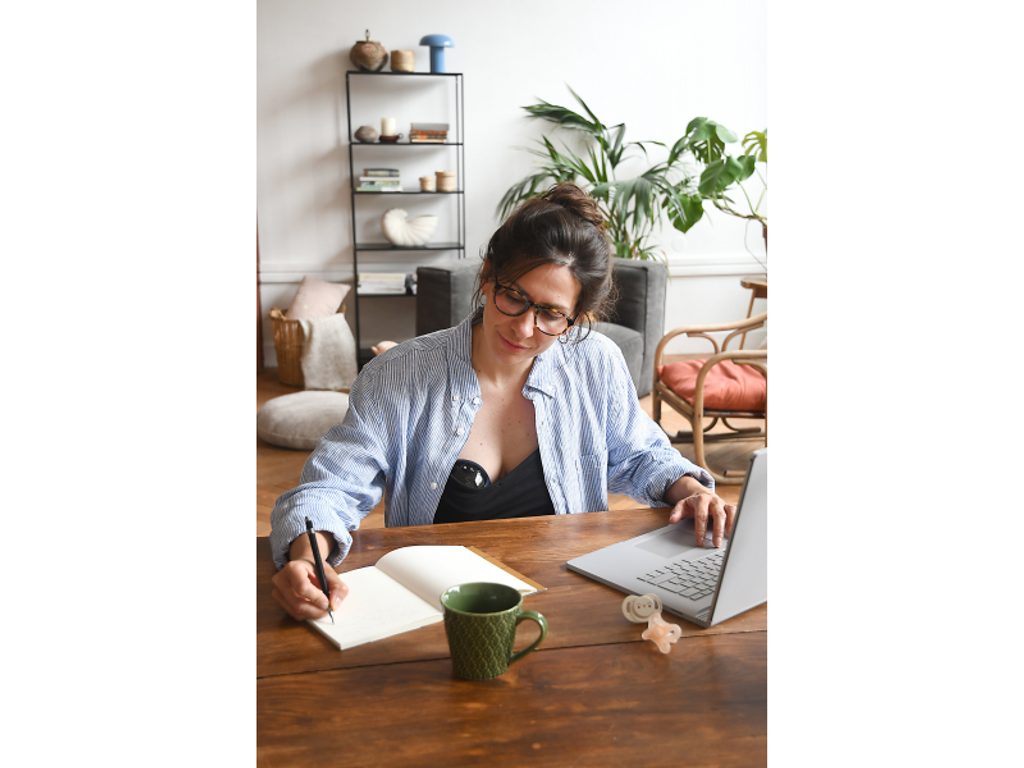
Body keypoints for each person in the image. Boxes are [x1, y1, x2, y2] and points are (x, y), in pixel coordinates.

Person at [270, 183, 736, 621]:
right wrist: (306, 559)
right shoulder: (399, 374)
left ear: (576, 318)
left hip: (569, 605)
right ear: (488, 277)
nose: (524, 328)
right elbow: (332, 487)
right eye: (515, 297)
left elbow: (640, 455)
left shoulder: (597, 363)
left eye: (551, 314)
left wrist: (691, 491)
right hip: (440, 613)